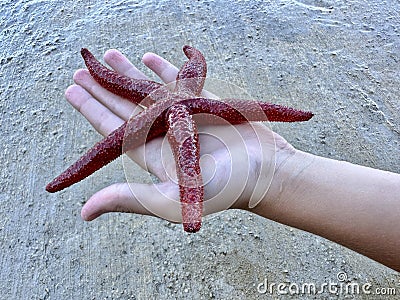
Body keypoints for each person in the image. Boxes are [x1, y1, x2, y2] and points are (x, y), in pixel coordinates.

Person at [65, 48, 400, 272]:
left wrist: (276, 168)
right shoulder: (181, 95)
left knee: (124, 141)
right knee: (112, 138)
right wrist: (279, 170)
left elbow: (200, 78)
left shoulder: (179, 100)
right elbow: (122, 79)